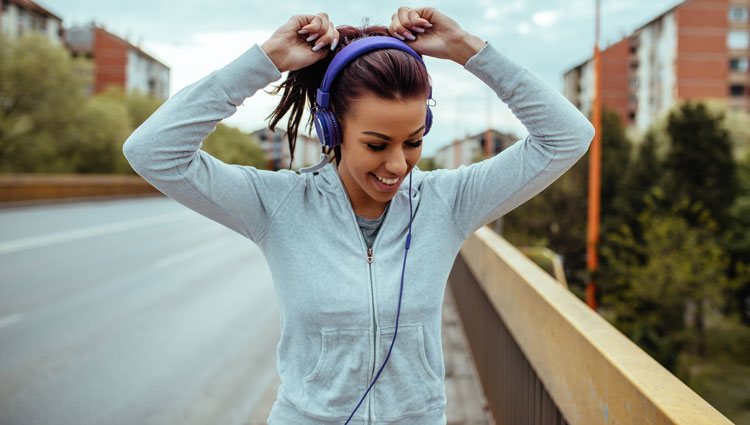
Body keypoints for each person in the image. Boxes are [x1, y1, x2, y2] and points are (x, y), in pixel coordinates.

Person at [122, 6, 595, 425]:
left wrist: (466, 49)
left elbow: (567, 137)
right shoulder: (278, 205)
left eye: (413, 142)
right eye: (376, 144)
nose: (397, 165)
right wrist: (266, 61)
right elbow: (153, 151)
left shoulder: (448, 202)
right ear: (332, 129)